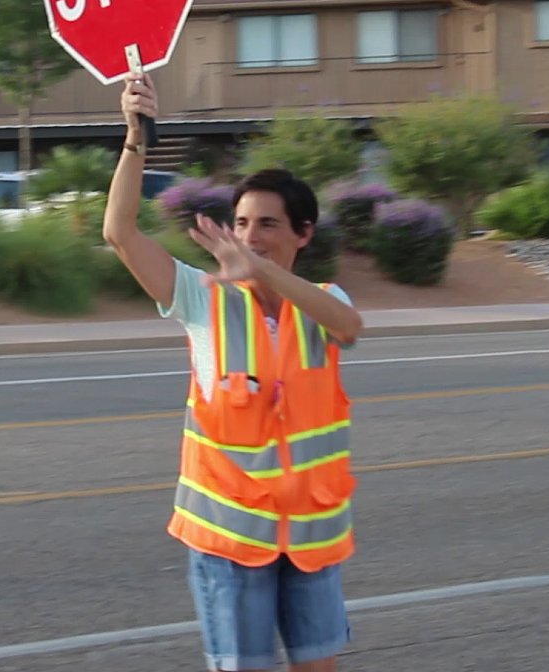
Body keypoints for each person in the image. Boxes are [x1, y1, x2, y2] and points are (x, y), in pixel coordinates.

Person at [102, 72, 364, 672]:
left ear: (304, 233)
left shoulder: (322, 302)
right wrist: (135, 137)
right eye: (241, 224)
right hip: (230, 541)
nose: (249, 236)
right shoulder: (203, 299)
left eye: (267, 225)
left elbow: (350, 328)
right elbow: (119, 233)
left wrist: (264, 273)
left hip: (311, 539)